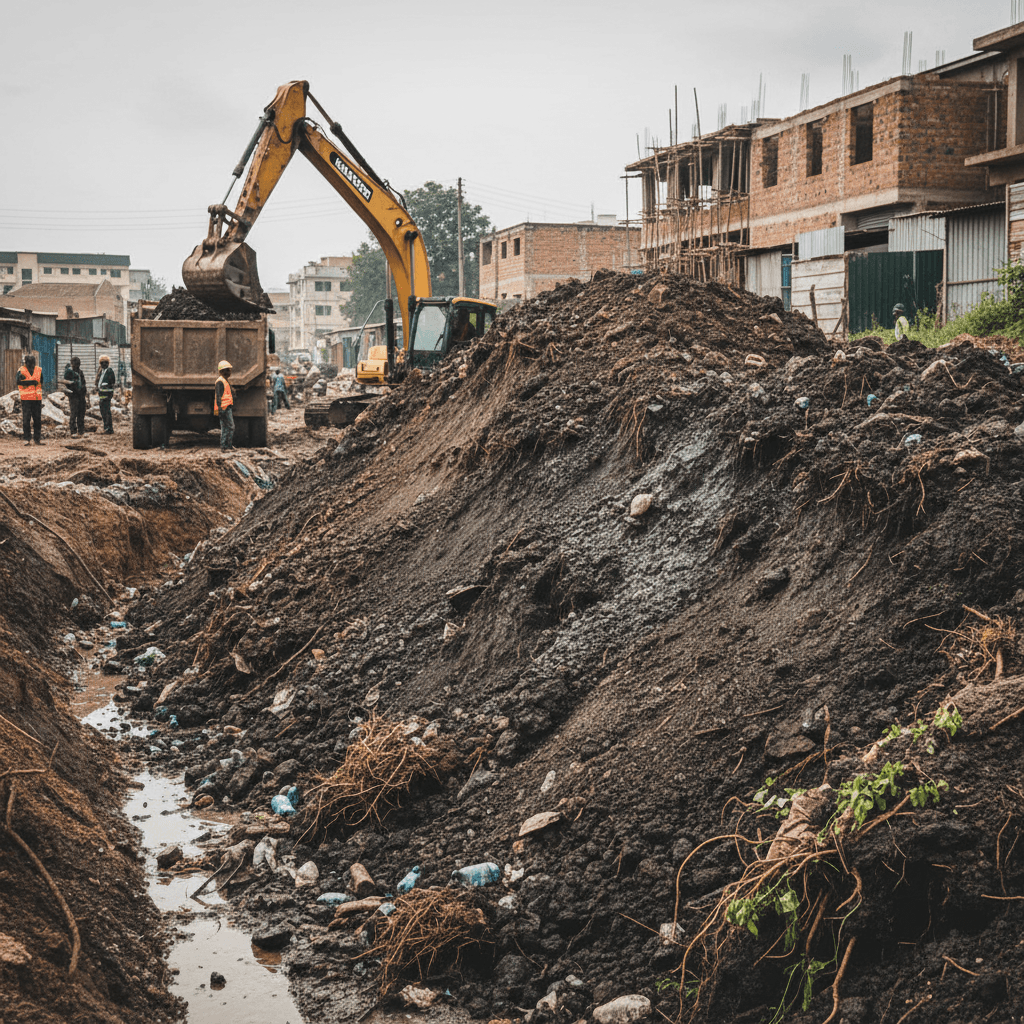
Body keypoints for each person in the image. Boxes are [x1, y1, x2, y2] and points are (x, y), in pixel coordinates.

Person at [16, 354, 43, 446]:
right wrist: (31, 382)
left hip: (37, 399)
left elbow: (41, 382)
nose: (31, 364)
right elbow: (18, 382)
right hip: (26, 399)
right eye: (29, 363)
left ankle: (37, 439)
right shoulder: (21, 371)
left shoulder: (38, 370)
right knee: (26, 419)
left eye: (32, 362)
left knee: (37, 419)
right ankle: (27, 439)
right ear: (26, 363)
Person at [63, 356, 87, 436]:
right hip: (73, 396)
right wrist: (74, 386)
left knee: (81, 413)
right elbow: (67, 383)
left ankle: (81, 430)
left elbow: (84, 382)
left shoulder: (80, 372)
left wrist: (83, 390)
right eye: (75, 364)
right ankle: (73, 431)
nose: (77, 366)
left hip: (81, 395)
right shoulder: (69, 372)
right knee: (74, 413)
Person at [215, 359, 235, 452]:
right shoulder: (220, 381)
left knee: (227, 427)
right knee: (228, 427)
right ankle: (225, 446)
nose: (229, 372)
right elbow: (218, 396)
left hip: (227, 406)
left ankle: (228, 446)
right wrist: (220, 409)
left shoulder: (225, 381)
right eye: (227, 370)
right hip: (224, 407)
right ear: (222, 371)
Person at [96, 355, 116, 434]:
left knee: (106, 411)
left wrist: (105, 385)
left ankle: (109, 429)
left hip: (107, 393)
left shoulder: (109, 371)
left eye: (105, 362)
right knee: (103, 411)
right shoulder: (101, 371)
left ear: (108, 363)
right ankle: (106, 427)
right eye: (102, 363)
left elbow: (112, 381)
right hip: (102, 393)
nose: (103, 364)